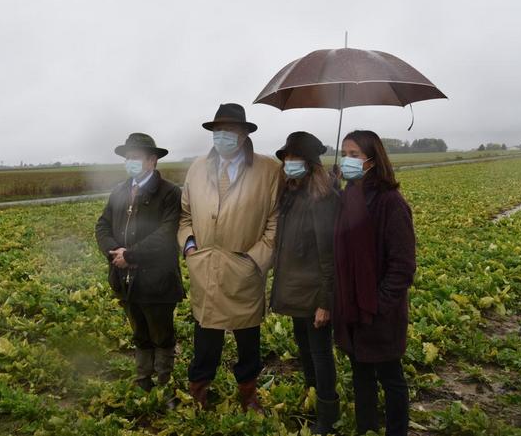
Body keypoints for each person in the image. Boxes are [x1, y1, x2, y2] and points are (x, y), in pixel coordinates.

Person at [178, 103, 281, 412]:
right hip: (205, 267)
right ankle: (199, 389)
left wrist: (254, 260)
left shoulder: (268, 170)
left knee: (248, 337)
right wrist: (190, 247)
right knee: (205, 336)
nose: (222, 136)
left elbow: (275, 222)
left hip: (244, 269)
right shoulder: (197, 168)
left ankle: (248, 394)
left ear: (244, 134)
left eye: (230, 131)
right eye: (218, 131)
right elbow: (185, 215)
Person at [333, 130, 416, 436]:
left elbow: (403, 266)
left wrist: (378, 304)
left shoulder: (390, 202)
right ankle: (366, 429)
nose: (347, 160)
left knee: (391, 377)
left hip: (380, 311)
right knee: (361, 376)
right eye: (344, 154)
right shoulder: (348, 196)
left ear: (372, 159)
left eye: (354, 155)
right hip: (352, 306)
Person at [95, 133, 185, 392]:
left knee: (161, 334)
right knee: (139, 333)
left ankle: (165, 383)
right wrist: (114, 252)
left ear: (152, 160)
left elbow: (166, 234)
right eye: (128, 158)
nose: (130, 162)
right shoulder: (119, 191)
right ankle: (143, 380)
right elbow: (102, 225)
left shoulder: (169, 192)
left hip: (157, 280)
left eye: (136, 157)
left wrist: (131, 255)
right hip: (125, 279)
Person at [270, 131, 339, 435]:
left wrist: (326, 302)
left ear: (310, 163)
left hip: (314, 293)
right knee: (305, 348)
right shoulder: (291, 193)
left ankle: (327, 412)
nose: (289, 163)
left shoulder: (322, 199)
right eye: (286, 158)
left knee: (320, 353)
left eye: (295, 158)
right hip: (295, 290)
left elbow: (329, 255)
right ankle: (312, 397)